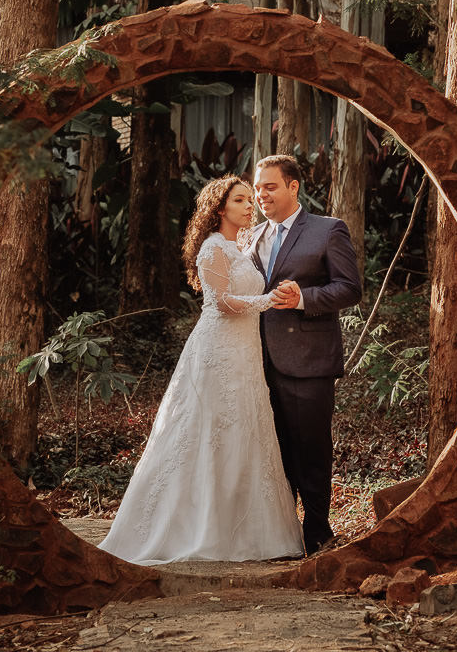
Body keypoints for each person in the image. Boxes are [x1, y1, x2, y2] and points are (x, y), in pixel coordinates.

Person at [99, 175, 304, 565]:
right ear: (219, 208)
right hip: (218, 350)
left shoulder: (239, 246)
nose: (250, 205)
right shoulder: (212, 249)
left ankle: (247, 533)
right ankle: (196, 529)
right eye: (241, 200)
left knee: (245, 428)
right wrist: (269, 300)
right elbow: (224, 302)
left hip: (245, 352)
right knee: (207, 430)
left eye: (250, 199)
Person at [248, 154, 362, 556]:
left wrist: (303, 298)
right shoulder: (254, 237)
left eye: (270, 186)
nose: (261, 194)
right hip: (258, 362)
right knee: (274, 451)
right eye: (258, 187)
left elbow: (350, 288)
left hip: (309, 361)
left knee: (311, 449)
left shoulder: (328, 230)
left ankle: (318, 531)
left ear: (293, 187)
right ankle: (282, 533)